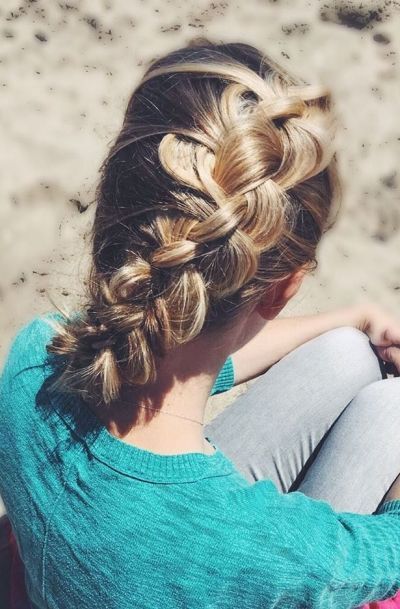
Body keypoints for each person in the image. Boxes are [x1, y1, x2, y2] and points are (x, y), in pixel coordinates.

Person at [1, 37, 400, 609]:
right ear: (283, 288)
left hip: (112, 563)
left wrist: (356, 318)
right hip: (206, 558)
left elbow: (172, 356)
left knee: (345, 350)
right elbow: (386, 551)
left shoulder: (33, 359)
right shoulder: (270, 552)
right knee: (393, 410)